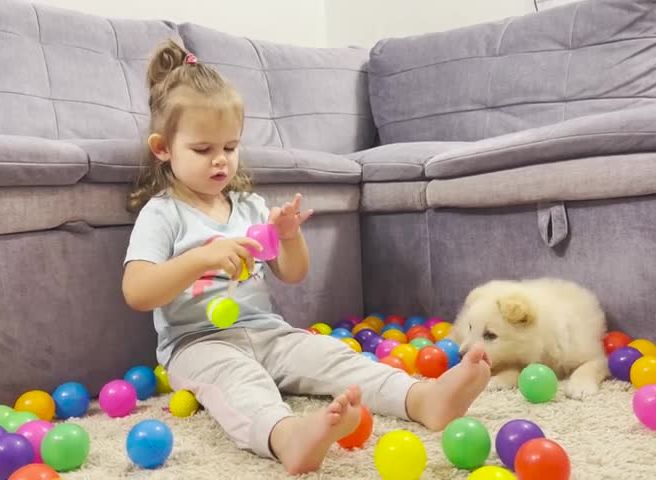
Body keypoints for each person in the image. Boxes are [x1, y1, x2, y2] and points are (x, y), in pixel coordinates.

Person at [121, 39, 492, 475]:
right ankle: (287, 437)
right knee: (241, 385)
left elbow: (293, 274)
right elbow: (137, 292)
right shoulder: (163, 213)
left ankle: (422, 399)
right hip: (198, 344)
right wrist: (202, 259)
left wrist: (290, 237)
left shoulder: (249, 207)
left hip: (269, 332)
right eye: (203, 150)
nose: (221, 161)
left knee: (333, 356)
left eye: (230, 146)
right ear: (163, 148)